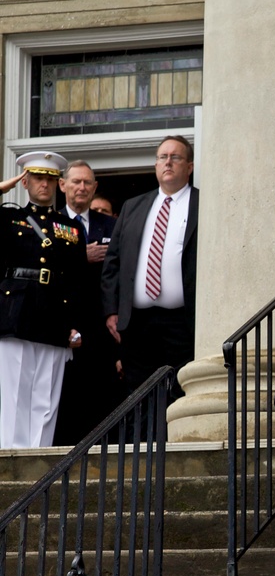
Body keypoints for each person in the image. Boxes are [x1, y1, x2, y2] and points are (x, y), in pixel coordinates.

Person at [101, 136, 198, 401]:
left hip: (183, 322)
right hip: (137, 323)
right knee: (139, 395)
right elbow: (113, 262)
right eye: (162, 157)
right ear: (155, 165)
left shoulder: (203, 204)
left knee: (177, 393)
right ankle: (142, 443)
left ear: (189, 166)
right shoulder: (133, 206)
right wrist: (112, 310)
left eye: (175, 157)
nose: (167, 162)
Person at [0, 151, 86, 449]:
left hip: (55, 314)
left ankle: (38, 461)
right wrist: (1, 189)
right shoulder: (9, 217)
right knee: (15, 395)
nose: (44, 185)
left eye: (50, 179)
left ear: (58, 184)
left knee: (46, 398)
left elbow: (77, 278)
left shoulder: (71, 228)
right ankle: (11, 459)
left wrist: (75, 324)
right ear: (25, 181)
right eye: (37, 177)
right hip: (16, 311)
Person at [53, 161, 120, 446]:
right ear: (62, 185)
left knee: (103, 406)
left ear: (94, 188)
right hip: (63, 330)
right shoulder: (51, 223)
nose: (81, 187)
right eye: (76, 181)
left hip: (102, 330)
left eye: (87, 183)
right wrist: (82, 255)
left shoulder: (113, 225)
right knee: (64, 406)